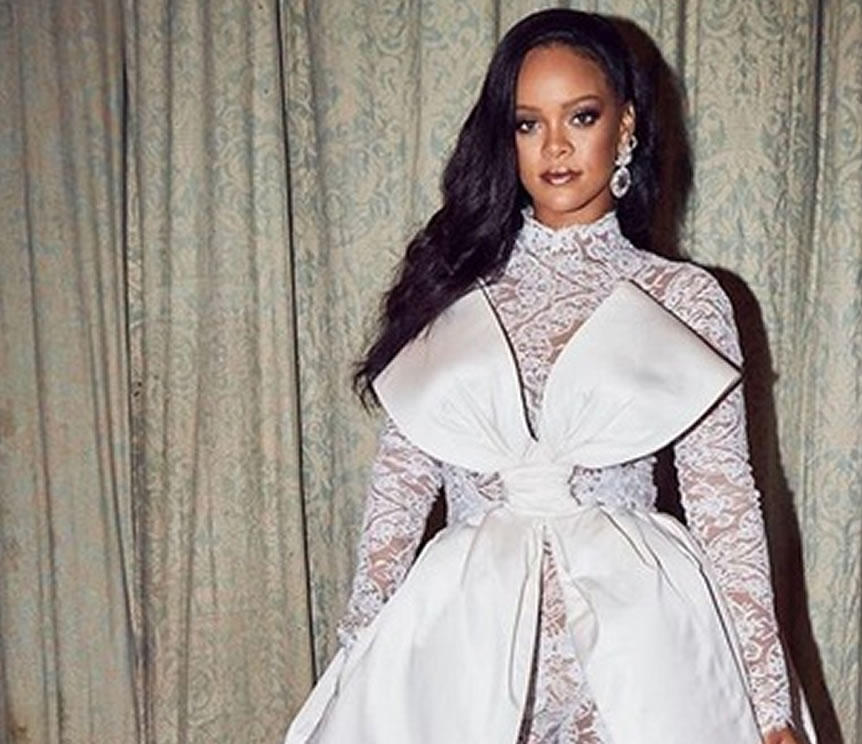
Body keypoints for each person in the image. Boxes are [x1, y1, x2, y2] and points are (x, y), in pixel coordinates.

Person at [285, 8, 800, 744]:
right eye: (528, 124)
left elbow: (725, 506)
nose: (555, 146)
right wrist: (356, 655)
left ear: (625, 125)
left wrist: (769, 705)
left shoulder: (685, 299)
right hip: (465, 642)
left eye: (581, 116)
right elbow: (398, 494)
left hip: (641, 649)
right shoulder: (451, 290)